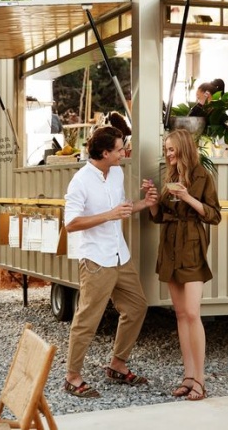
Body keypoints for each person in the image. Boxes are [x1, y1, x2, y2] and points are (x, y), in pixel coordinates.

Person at [63, 125, 158, 398]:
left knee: (137, 307)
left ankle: (117, 364)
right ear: (105, 153)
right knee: (87, 320)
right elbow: (70, 223)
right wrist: (109, 214)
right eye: (119, 149)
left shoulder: (117, 172)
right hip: (96, 260)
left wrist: (143, 203)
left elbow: (121, 209)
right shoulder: (80, 181)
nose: (123, 153)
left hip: (120, 255)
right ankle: (72, 377)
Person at [142, 128, 222, 401]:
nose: (168, 154)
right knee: (179, 315)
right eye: (166, 149)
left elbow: (214, 215)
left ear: (184, 149)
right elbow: (159, 217)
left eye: (171, 149)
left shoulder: (202, 177)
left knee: (192, 313)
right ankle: (187, 377)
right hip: (169, 247)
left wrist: (188, 197)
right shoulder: (171, 176)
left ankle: (200, 380)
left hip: (191, 248)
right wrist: (153, 201)